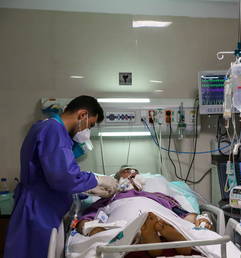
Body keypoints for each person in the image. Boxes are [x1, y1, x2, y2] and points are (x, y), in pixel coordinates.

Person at [4, 95, 118, 258]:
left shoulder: (46, 127)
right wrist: (96, 180)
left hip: (38, 204)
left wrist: (87, 188)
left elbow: (50, 173)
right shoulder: (54, 130)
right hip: (39, 210)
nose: (87, 131)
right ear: (82, 115)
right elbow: (63, 177)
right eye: (90, 125)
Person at [75, 166, 213, 257]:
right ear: (117, 178)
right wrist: (92, 229)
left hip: (159, 214)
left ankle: (161, 233)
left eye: (136, 173)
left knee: (177, 224)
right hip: (125, 219)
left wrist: (201, 220)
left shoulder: (158, 195)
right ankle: (158, 237)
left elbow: (182, 214)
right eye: (127, 171)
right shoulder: (108, 198)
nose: (132, 174)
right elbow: (87, 220)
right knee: (123, 232)